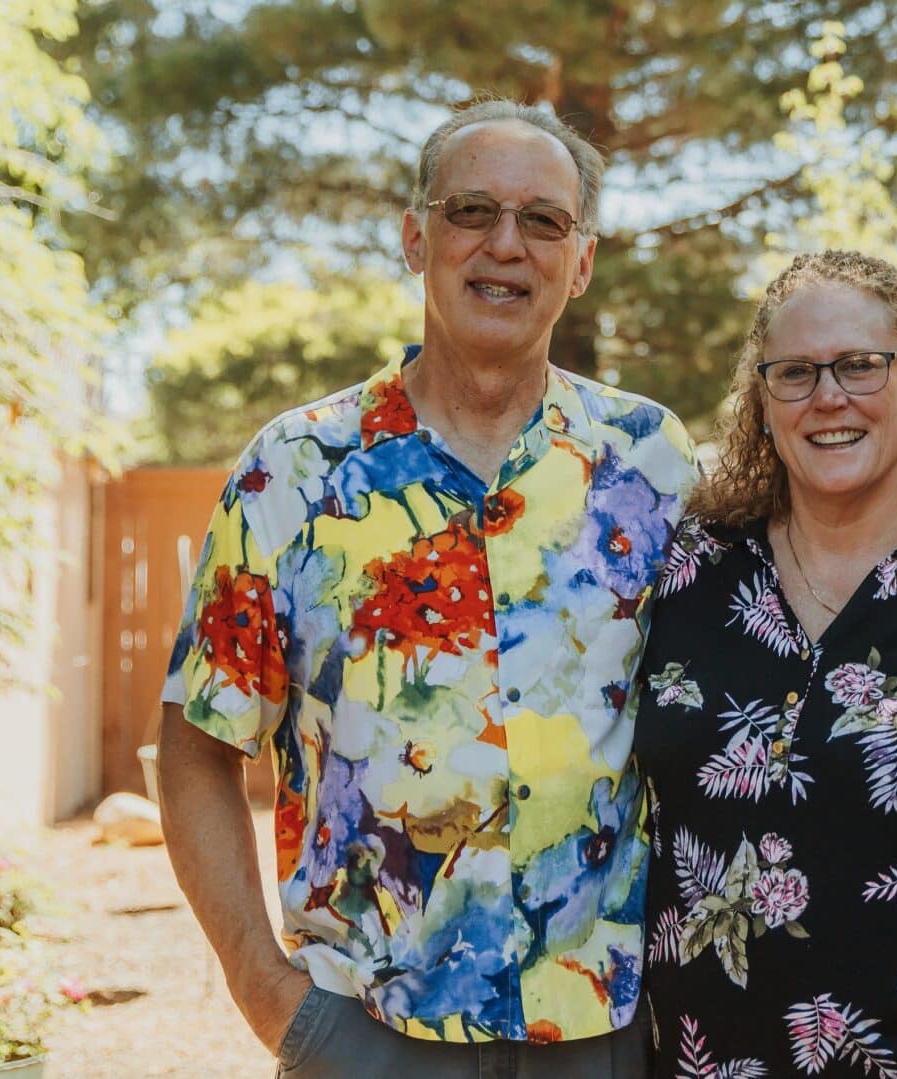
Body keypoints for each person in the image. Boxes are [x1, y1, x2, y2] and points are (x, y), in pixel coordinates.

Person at [156, 99, 695, 1078]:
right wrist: (264, 990)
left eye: (544, 220)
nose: (505, 243)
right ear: (415, 236)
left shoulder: (651, 462)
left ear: (579, 263)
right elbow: (196, 743)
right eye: (470, 211)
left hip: (599, 1033)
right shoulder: (294, 468)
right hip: (365, 1032)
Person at [630, 250, 897, 1078]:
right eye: (795, 372)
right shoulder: (683, 575)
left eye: (862, 365)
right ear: (763, 401)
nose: (829, 396)